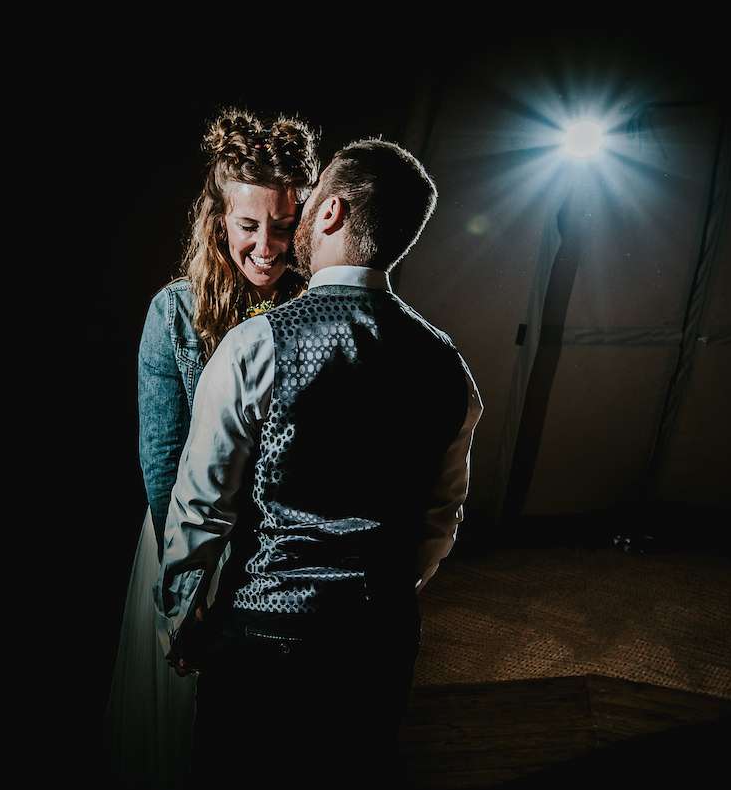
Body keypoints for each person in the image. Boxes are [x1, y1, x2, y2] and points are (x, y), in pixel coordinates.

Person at [156, 138, 483, 787]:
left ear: (330, 212)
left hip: (262, 637)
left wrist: (179, 619)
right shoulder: (449, 366)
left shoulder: (256, 346)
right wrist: (384, 594)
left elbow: (201, 504)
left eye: (308, 206)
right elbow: (440, 519)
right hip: (379, 641)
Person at [104, 107, 319, 789]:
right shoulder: (174, 310)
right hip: (190, 531)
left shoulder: (317, 307)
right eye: (249, 224)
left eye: (283, 225)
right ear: (218, 219)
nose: (266, 245)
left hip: (279, 540)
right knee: (185, 716)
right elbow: (163, 457)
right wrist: (187, 584)